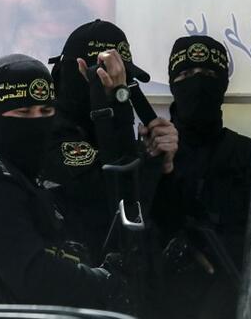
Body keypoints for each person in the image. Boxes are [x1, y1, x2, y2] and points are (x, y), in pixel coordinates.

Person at [0, 53, 131, 309]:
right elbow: (37, 278)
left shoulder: (20, 170)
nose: (37, 122)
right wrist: (110, 283)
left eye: (46, 111)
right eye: (24, 112)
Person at [152, 35, 251, 319]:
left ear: (222, 85)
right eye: (186, 74)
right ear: (172, 84)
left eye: (208, 74)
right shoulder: (152, 157)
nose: (198, 83)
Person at [41, 19, 178, 262]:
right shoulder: (46, 129)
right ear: (82, 70)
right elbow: (101, 196)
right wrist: (116, 111)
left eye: (124, 83)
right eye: (111, 82)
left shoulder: (115, 132)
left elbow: (137, 213)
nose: (120, 91)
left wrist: (158, 162)